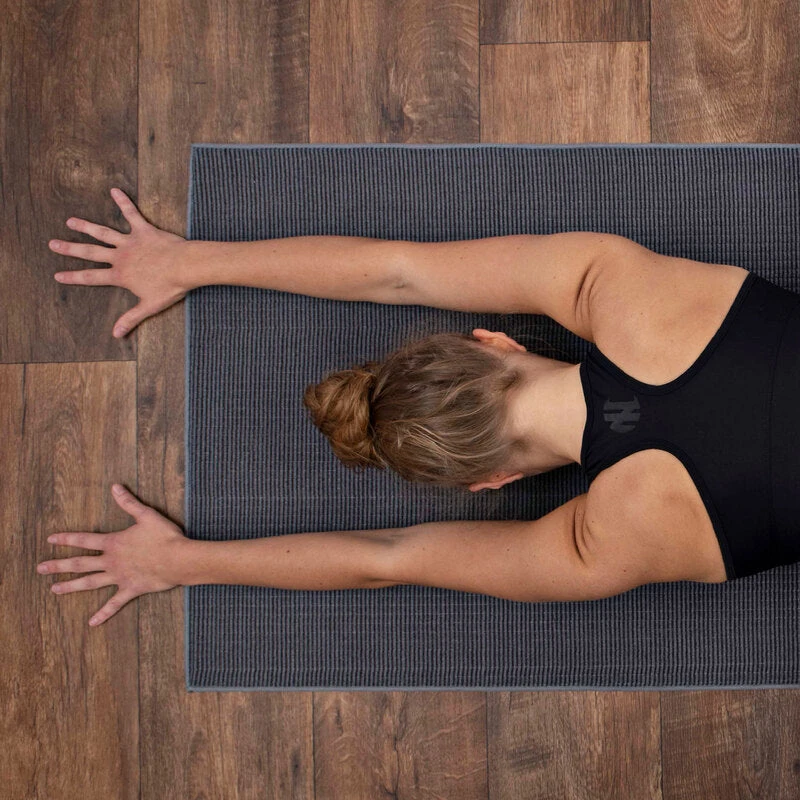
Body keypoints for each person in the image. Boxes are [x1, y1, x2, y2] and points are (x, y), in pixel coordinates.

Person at [37, 188, 800, 627]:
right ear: (494, 342)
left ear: (490, 481)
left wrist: (184, 563)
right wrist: (191, 261)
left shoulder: (602, 544)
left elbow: (385, 559)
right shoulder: (612, 286)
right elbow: (396, 271)